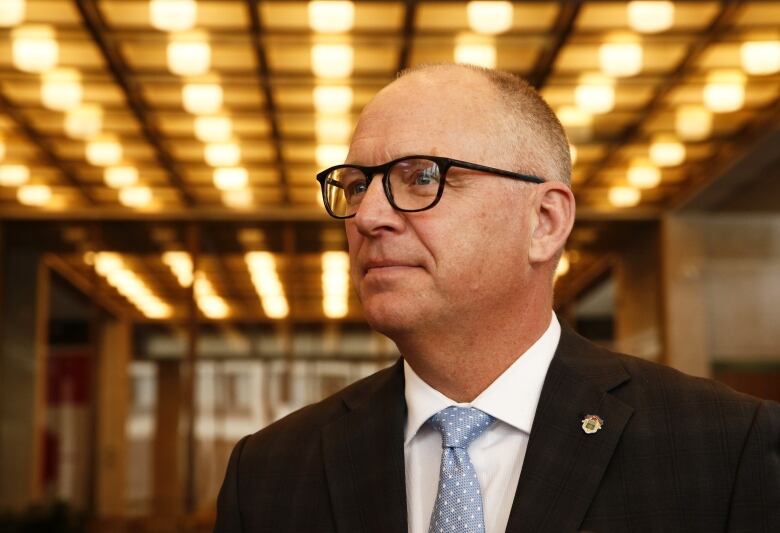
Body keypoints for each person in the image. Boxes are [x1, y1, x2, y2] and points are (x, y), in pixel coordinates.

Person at [214, 64, 779, 533]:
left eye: (421, 178)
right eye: (357, 185)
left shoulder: (724, 450)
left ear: (544, 221)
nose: (368, 216)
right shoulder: (270, 473)